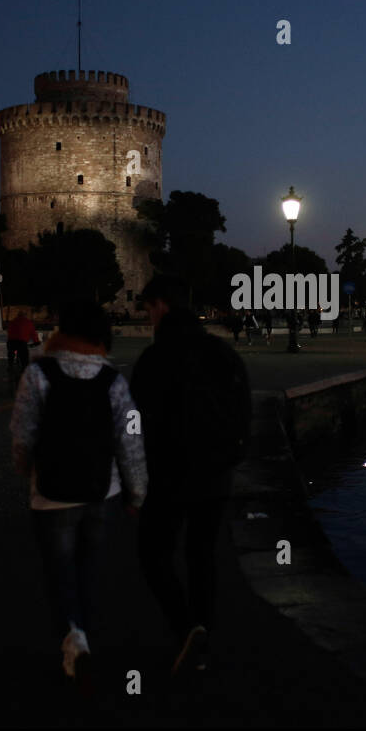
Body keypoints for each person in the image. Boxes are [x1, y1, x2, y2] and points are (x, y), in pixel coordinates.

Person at [10, 298, 146, 685]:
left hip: (51, 493)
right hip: (102, 491)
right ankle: (84, 635)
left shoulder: (39, 374)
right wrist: (137, 492)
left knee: (59, 572)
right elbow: (130, 440)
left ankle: (74, 639)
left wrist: (27, 470)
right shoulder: (112, 380)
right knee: (88, 569)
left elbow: (22, 433)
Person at [130, 274, 252, 676]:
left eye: (148, 309)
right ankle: (203, 637)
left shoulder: (154, 359)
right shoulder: (221, 352)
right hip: (216, 473)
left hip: (169, 475)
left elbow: (136, 425)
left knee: (153, 554)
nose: (148, 318)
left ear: (161, 305)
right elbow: (243, 409)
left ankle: (185, 626)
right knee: (203, 556)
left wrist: (135, 482)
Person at [6, 310, 39, 376]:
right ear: (25, 315)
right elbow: (33, 333)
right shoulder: (28, 322)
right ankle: (24, 370)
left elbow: (9, 332)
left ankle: (10, 366)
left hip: (11, 342)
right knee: (24, 358)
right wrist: (36, 341)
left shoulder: (12, 322)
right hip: (22, 342)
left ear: (18, 315)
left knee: (11, 354)